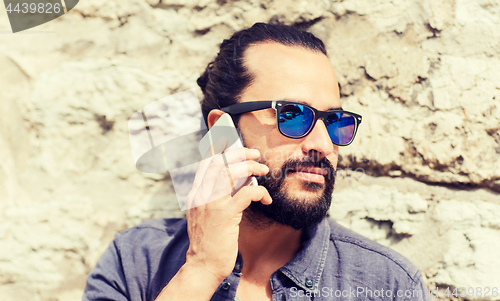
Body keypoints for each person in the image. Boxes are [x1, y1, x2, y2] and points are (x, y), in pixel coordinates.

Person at [83, 22, 431, 301]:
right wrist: (201, 270)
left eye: (335, 121)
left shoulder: (391, 285)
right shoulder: (135, 263)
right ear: (223, 131)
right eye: (292, 115)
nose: (323, 144)